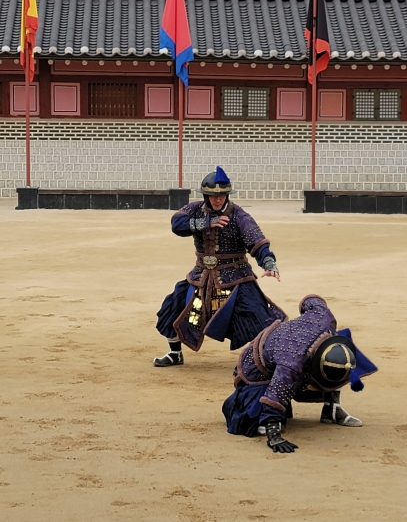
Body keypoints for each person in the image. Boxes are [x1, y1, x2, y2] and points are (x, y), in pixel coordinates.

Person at [154, 166, 286, 367]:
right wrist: (207, 222)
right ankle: (175, 353)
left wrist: (268, 261)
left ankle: (262, 360)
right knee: (173, 306)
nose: (217, 200)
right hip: (200, 275)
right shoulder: (196, 209)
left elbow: (256, 241)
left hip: (235, 275)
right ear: (206, 196)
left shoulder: (239, 215)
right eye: (212, 195)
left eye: (222, 195)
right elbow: (177, 224)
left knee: (257, 316)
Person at [222, 295, 377, 453]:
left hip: (288, 348)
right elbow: (274, 397)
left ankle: (332, 409)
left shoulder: (325, 317)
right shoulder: (292, 364)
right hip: (256, 365)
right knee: (250, 420)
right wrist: (274, 435)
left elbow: (310, 300)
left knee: (342, 339)